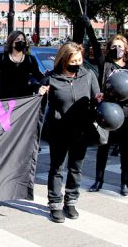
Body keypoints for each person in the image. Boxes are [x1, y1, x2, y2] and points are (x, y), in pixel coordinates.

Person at [39, 42, 102, 223]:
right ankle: (55, 204)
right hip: (58, 130)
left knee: (76, 168)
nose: (77, 64)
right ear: (64, 60)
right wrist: (40, 93)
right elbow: (38, 105)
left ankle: (71, 201)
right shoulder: (51, 78)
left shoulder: (88, 75)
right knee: (57, 168)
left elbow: (96, 98)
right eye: (73, 60)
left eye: (79, 60)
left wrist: (99, 99)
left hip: (81, 129)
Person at [89, 35, 128, 196]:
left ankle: (125, 182)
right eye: (114, 46)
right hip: (108, 109)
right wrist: (88, 27)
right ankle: (99, 180)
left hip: (126, 110)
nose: (117, 49)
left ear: (126, 49)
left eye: (120, 46)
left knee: (125, 147)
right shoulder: (106, 64)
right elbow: (95, 47)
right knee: (103, 146)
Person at [0, 30, 44, 99]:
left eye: (22, 39)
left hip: (25, 101)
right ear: (11, 42)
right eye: (17, 39)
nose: (21, 41)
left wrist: (49, 80)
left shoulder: (30, 59)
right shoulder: (2, 58)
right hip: (5, 100)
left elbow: (38, 75)